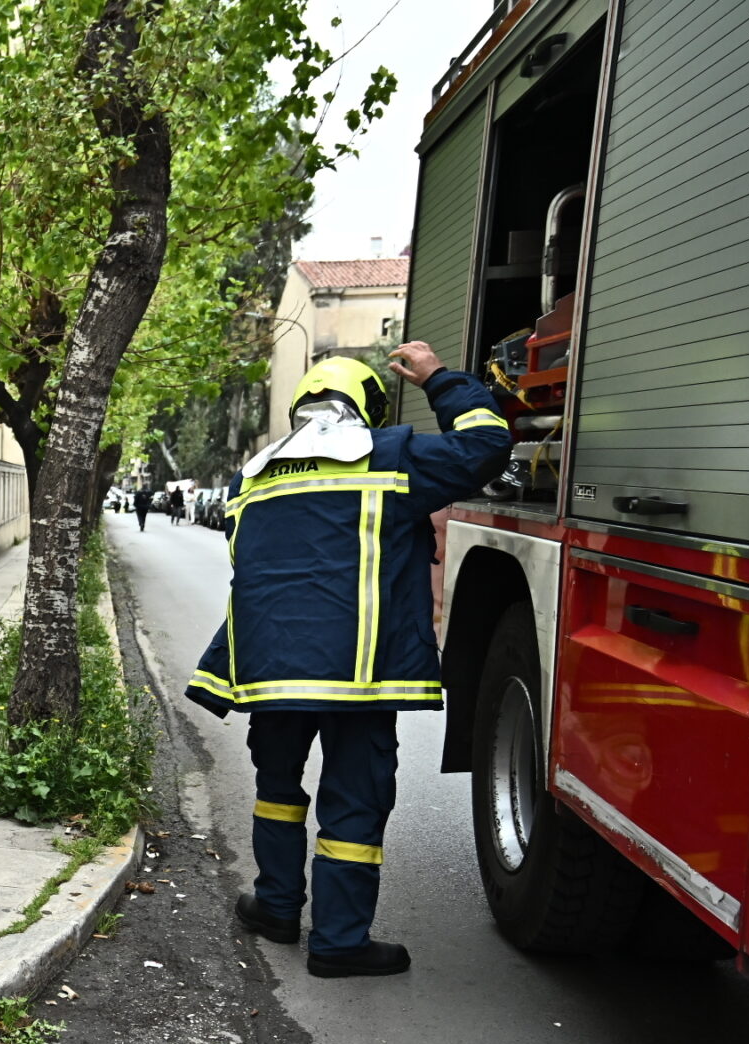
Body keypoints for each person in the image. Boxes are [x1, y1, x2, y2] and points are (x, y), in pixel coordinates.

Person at [185, 344, 510, 977]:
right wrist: (440, 379)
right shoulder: (391, 456)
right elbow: (485, 445)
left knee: (278, 791)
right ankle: (337, 942)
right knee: (355, 800)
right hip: (359, 676)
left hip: (271, 673)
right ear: (369, 407)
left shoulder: (252, 476)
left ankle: (277, 907)